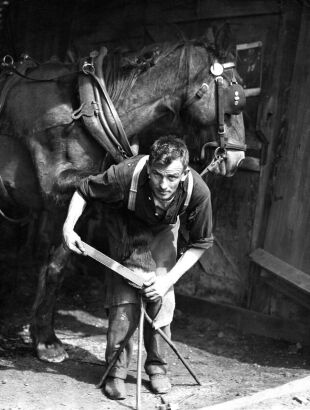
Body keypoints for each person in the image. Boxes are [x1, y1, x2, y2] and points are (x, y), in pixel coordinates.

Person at [63, 135, 214, 400]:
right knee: (124, 304)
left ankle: (158, 368)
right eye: (157, 175)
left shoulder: (198, 191)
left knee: (161, 300)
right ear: (148, 169)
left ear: (185, 172)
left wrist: (168, 280)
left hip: (164, 232)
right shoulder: (126, 174)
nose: (164, 185)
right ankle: (116, 372)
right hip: (127, 228)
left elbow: (201, 242)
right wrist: (69, 226)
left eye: (172, 177)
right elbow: (83, 189)